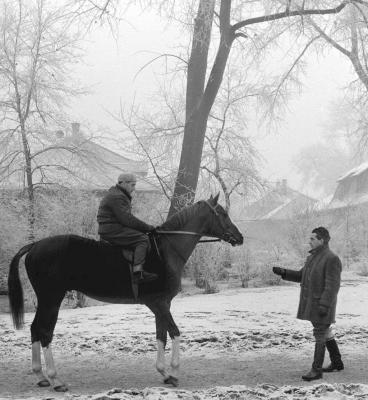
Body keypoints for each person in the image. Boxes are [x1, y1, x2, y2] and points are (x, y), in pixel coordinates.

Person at [272, 227, 344, 381]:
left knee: (320, 335)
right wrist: (284, 272)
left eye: (312, 239)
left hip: (321, 306)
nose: (309, 242)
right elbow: (301, 276)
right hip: (313, 305)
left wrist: (324, 306)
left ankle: (316, 370)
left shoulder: (331, 258)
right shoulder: (312, 258)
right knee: (325, 332)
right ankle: (337, 362)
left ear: (321, 240)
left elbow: (332, 286)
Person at [97, 173, 158, 284]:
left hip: (111, 228)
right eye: (132, 185)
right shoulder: (118, 196)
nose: (134, 189)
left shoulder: (116, 194)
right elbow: (127, 219)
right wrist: (147, 228)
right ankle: (138, 273)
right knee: (143, 239)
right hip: (112, 230)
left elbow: (126, 219)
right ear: (123, 183)